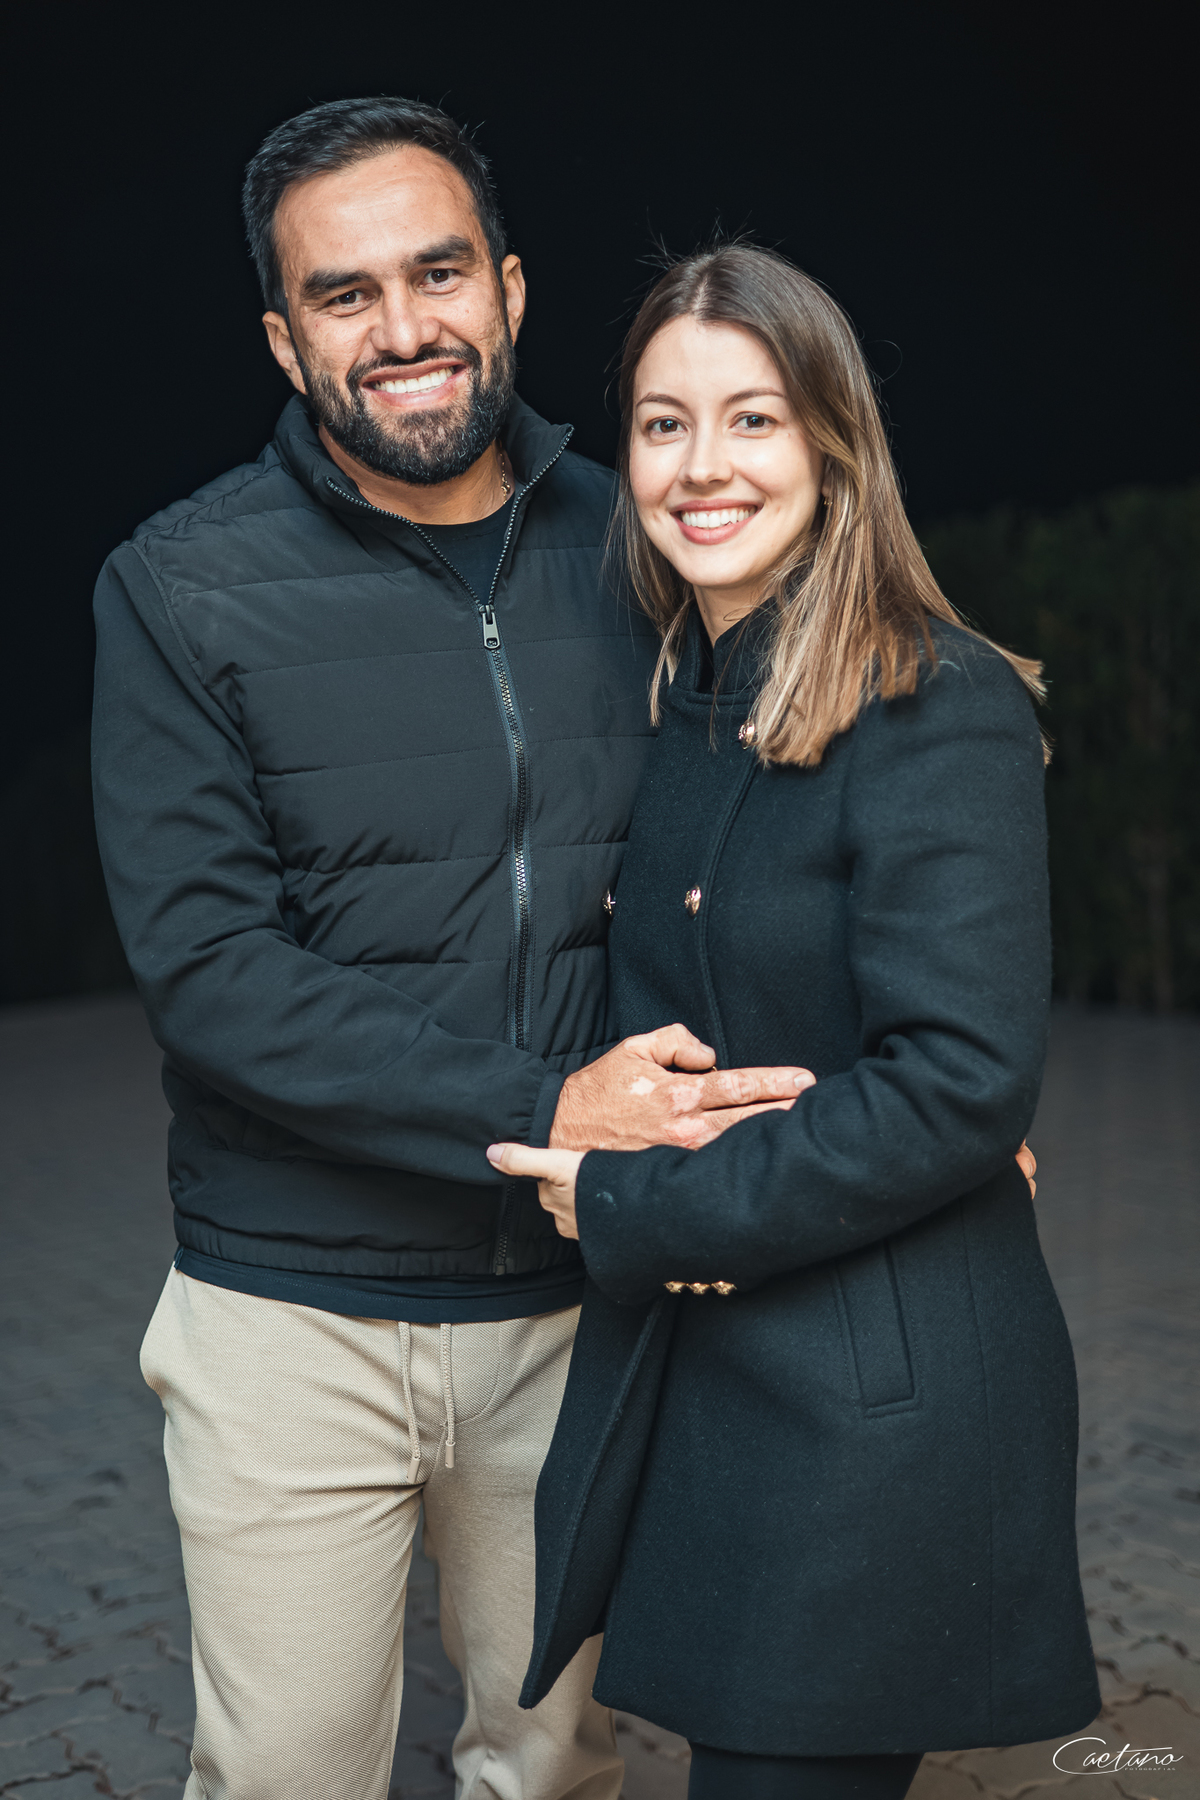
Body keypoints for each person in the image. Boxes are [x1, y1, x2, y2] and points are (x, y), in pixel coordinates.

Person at [91, 102, 812, 1800]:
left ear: (509, 287)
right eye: (343, 296)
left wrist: (909, 1090)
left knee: (551, 1768)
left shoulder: (645, 547)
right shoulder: (180, 588)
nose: (403, 326)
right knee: (284, 1776)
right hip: (291, 1311)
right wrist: (550, 1106)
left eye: (437, 273)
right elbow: (210, 975)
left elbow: (771, 855)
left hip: (579, 1296)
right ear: (286, 340)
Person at [488, 245, 1100, 1800]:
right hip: (728, 1375)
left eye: (752, 418)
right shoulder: (680, 703)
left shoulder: (934, 700)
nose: (704, 466)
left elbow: (960, 1081)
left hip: (875, 1402)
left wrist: (636, 1202)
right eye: (664, 424)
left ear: (834, 444)